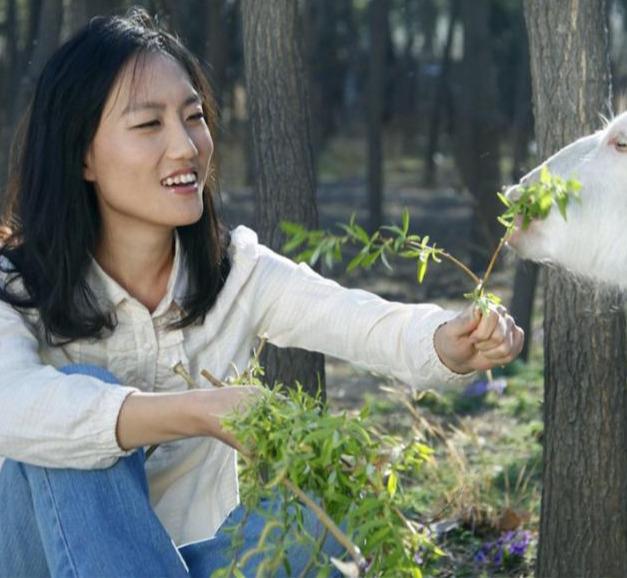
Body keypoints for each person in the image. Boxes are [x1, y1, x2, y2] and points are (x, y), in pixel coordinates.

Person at [0, 9, 524, 578]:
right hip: (35, 558)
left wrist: (449, 341)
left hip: (188, 561)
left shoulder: (233, 272)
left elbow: (356, 318)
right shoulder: (15, 284)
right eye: (149, 125)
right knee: (70, 413)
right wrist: (197, 412)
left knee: (331, 493)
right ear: (82, 154)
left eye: (193, 116)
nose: (186, 147)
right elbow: (14, 406)